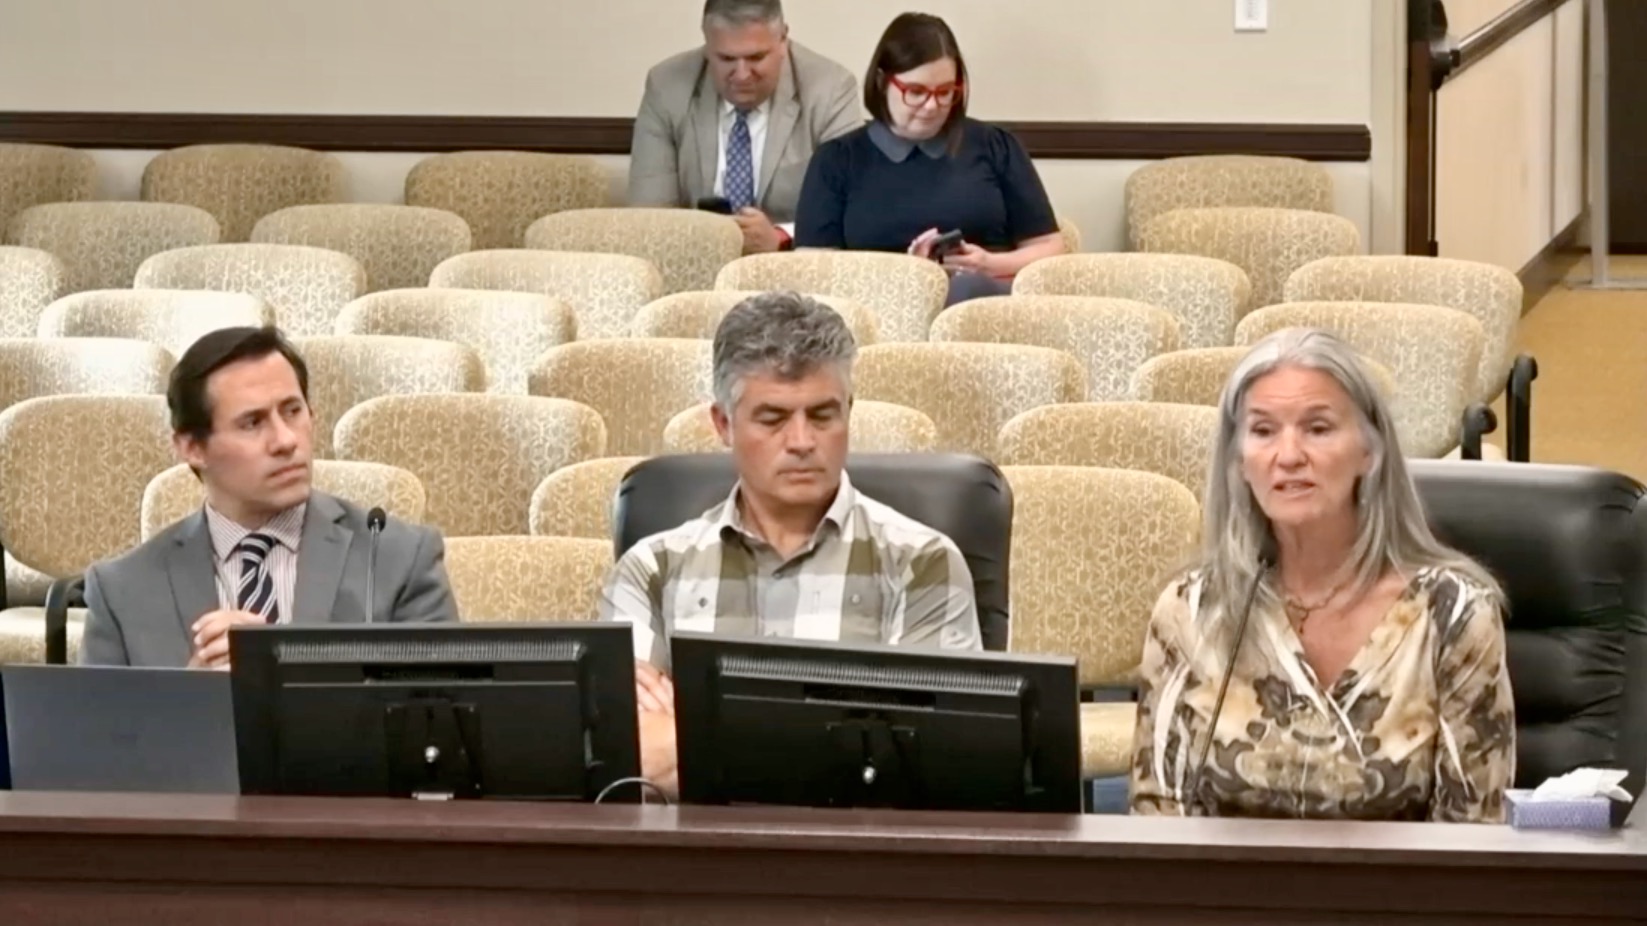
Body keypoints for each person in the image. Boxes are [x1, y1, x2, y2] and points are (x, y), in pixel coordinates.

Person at [598, 291, 983, 792]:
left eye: (823, 416)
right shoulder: (652, 567)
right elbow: (631, 763)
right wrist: (836, 739)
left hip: (860, 862)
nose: (802, 442)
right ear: (722, 424)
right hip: (694, 861)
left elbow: (927, 766)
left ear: (849, 411)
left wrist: (689, 732)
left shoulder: (922, 562)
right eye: (773, 419)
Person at [1129, 328, 1515, 822]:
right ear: (1238, 462)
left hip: (1405, 896)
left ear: (1368, 453)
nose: (1288, 456)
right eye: (1263, 431)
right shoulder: (1192, 610)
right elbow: (1159, 815)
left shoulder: (1454, 614)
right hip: (1226, 896)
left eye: (1318, 428)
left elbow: (1475, 832)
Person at [79, 326, 458, 669]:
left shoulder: (398, 560)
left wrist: (280, 675)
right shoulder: (122, 591)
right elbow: (103, 741)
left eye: (292, 412)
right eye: (252, 423)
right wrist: (195, 698)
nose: (285, 441)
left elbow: (439, 721)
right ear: (193, 447)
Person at [793, 13, 1065, 306]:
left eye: (945, 92)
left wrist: (988, 264)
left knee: (967, 290)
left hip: (985, 303)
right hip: (879, 306)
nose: (932, 105)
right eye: (916, 92)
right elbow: (814, 267)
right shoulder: (837, 160)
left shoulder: (995, 146)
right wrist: (908, 274)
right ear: (884, 82)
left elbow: (1048, 246)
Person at [628, 0, 860, 254]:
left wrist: (781, 237)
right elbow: (647, 216)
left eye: (756, 57)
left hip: (793, 269)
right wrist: (705, 236)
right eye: (726, 58)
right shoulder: (667, 86)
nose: (741, 75)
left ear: (783, 40)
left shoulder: (831, 90)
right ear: (707, 45)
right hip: (691, 262)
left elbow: (851, 215)